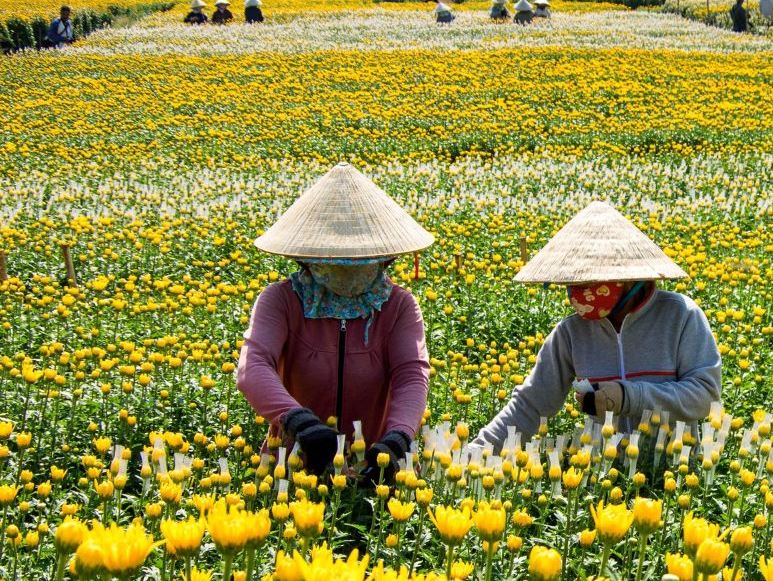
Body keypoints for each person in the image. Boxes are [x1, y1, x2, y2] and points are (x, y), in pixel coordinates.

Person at [469, 201, 722, 466]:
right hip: (603, 472)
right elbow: (530, 405)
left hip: (673, 470)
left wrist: (629, 397)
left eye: (589, 283)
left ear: (625, 278)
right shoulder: (571, 333)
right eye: (573, 284)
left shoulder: (680, 316)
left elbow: (704, 396)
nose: (579, 294)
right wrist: (474, 456)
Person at [237, 163, 435, 486]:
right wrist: (297, 422)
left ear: (384, 256)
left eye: (360, 258)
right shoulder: (282, 301)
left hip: (374, 466)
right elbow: (253, 367)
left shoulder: (398, 306)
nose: (348, 269)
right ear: (307, 256)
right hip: (292, 467)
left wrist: (397, 438)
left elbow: (411, 375)